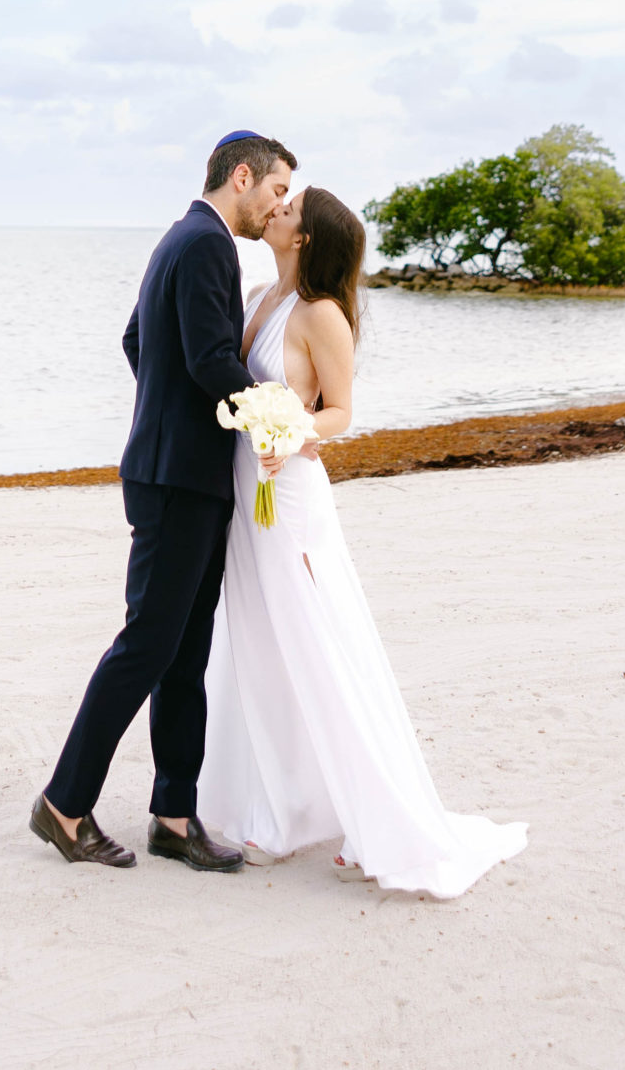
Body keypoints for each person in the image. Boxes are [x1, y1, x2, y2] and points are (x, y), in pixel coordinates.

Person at [197, 182, 528, 898]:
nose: (277, 209)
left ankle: (368, 816)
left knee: (315, 640)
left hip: (289, 496)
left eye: (289, 208)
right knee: (257, 645)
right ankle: (280, 807)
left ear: (307, 236)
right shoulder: (259, 296)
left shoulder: (322, 315)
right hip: (244, 497)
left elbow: (342, 412)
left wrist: (291, 431)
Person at [30, 130, 297, 872]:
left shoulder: (181, 238)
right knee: (148, 645)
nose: (275, 206)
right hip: (178, 479)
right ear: (242, 177)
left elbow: (135, 341)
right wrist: (271, 419)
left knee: (185, 652)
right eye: (275, 190)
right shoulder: (208, 244)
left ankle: (174, 817)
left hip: (179, 470)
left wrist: (167, 407)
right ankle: (63, 804)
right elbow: (210, 356)